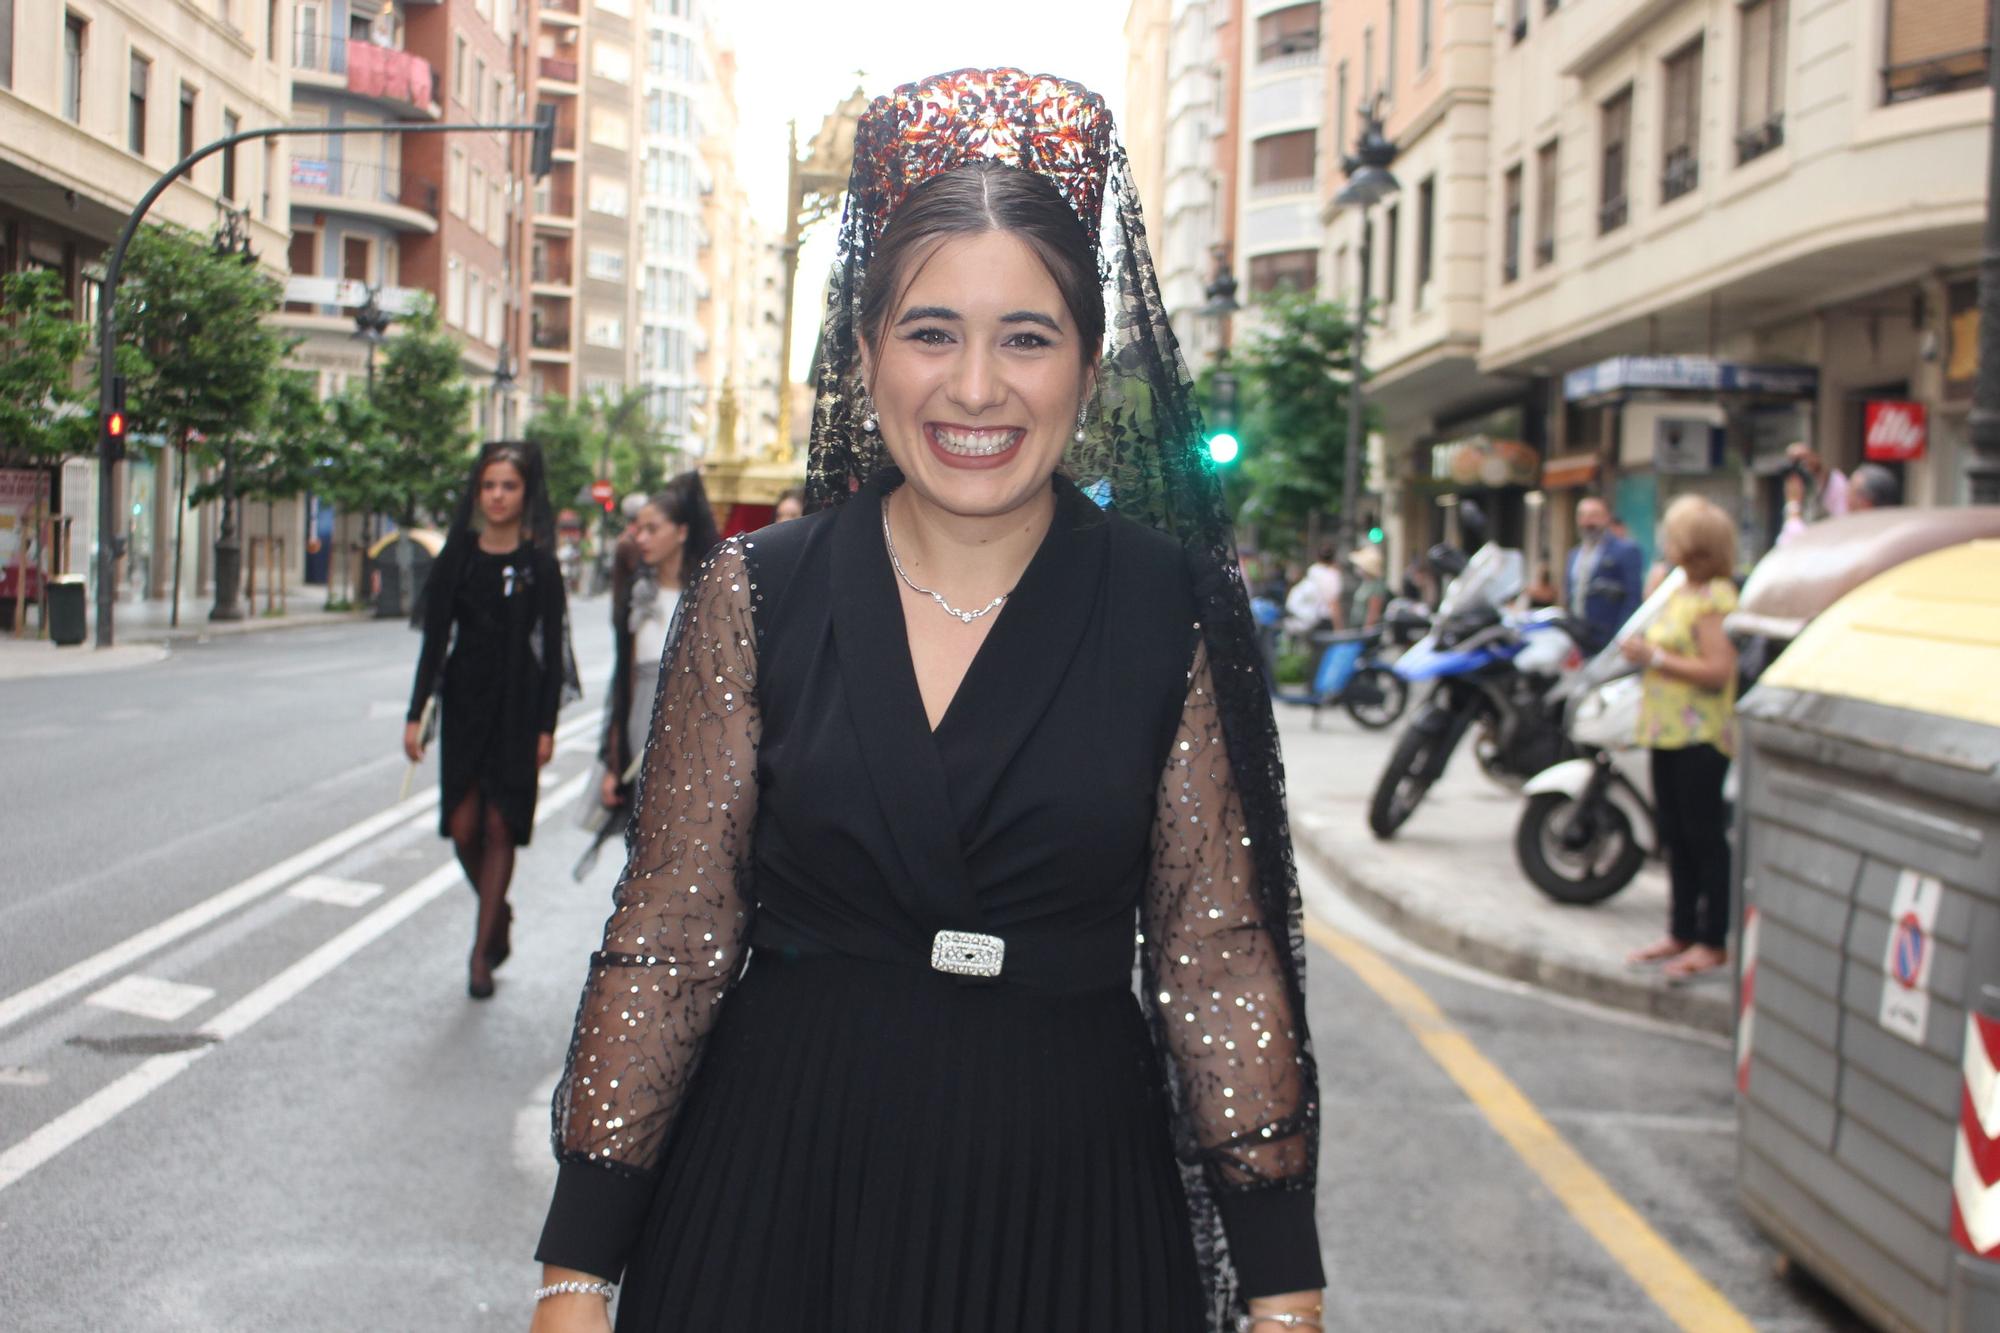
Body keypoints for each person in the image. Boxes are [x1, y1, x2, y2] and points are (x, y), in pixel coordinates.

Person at [530, 69, 1323, 1333]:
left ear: (1088, 363)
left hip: (1068, 1219)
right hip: (770, 1198)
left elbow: (1212, 948)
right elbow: (672, 929)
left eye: (1025, 336)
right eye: (928, 330)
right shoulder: (754, 590)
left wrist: (1282, 1282)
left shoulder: (1171, 606)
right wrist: (578, 1266)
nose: (973, 388)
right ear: (863, 355)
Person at [405, 442, 579, 999]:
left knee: (501, 824)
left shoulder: (540, 565)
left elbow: (553, 651)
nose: (498, 496)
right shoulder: (456, 558)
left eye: (508, 486)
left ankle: (480, 956)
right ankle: (497, 912)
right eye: (489, 486)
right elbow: (435, 643)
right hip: (463, 701)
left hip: (519, 706)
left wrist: (547, 726)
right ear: (477, 494)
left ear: (525, 494)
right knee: (462, 826)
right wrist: (416, 717)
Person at [1622, 495, 1739, 982]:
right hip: (1666, 732)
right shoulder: (1676, 590)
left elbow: (1718, 669)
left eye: (1671, 535)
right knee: (1673, 833)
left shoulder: (1713, 598)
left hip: (1699, 735)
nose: (1664, 543)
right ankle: (1680, 929)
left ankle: (1713, 939)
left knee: (1702, 836)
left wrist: (1656, 658)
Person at [598, 473, 720, 815]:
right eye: (639, 529)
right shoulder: (637, 596)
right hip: (641, 726)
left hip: (697, 731)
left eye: (653, 529)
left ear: (681, 532)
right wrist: (612, 759)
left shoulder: (710, 594)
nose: (642, 538)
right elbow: (622, 678)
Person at [1566, 496, 1644, 651]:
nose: (1588, 522)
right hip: (1578, 639)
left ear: (1607, 518)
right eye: (1583, 516)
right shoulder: (1574, 555)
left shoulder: (1625, 550)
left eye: (1594, 515)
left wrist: (1622, 637)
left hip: (1608, 639)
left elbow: (1633, 598)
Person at [1785, 442, 1849, 519]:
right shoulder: (1796, 487)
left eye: (1804, 458)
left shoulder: (1834, 480)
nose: (1803, 464)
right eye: (1796, 462)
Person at [1347, 544, 1389, 629]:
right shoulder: (1366, 583)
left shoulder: (1376, 586)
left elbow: (1373, 612)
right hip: (1357, 627)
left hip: (1365, 630)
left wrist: (1367, 629)